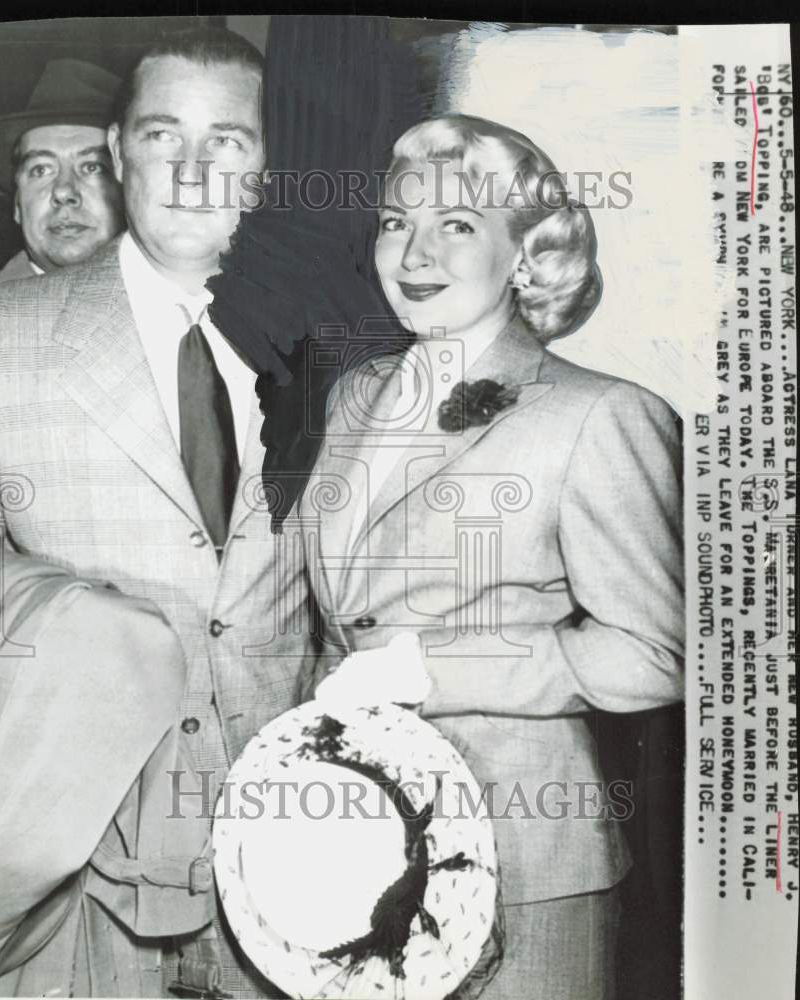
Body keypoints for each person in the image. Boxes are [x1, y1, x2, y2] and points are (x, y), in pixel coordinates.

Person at [0, 26, 314, 998]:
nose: (190, 170)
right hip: (76, 884)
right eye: (160, 134)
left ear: (271, 166)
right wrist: (80, 643)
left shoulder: (341, 343)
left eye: (229, 141)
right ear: (120, 147)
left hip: (297, 867)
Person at [299, 114, 685, 1000]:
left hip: (523, 860)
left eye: (457, 226)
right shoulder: (354, 396)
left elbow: (656, 651)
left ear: (524, 254)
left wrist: (424, 669)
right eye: (396, 222)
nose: (414, 251)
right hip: (346, 854)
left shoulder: (598, 415)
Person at [0, 58, 124, 284]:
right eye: (41, 170)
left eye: (92, 167)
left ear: (131, 195)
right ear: (18, 205)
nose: (64, 192)